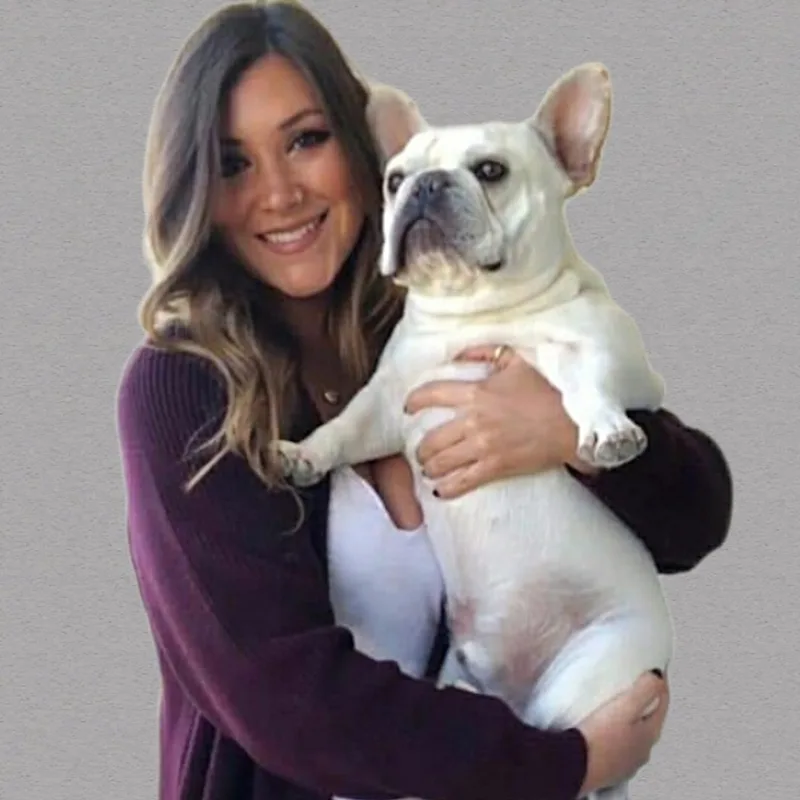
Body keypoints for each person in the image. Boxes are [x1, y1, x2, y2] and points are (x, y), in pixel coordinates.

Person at [115, 1, 733, 799]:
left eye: (306, 140)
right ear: (193, 190)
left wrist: (564, 435)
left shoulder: (441, 318)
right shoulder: (184, 389)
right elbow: (282, 696)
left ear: (363, 147)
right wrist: (566, 765)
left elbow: (696, 518)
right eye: (232, 164)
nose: (277, 193)